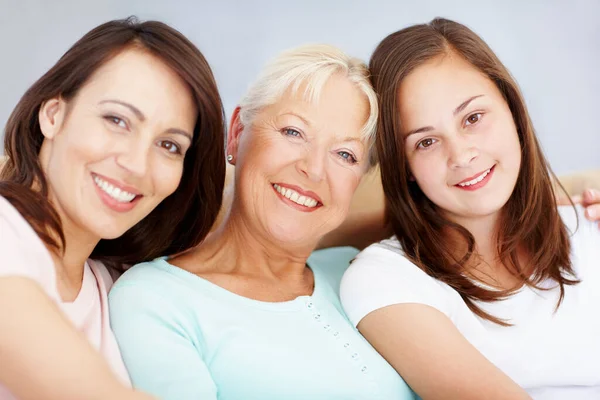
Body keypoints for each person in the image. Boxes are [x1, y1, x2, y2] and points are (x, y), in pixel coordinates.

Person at [109, 44, 417, 400]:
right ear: (238, 132)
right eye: (292, 132)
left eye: (345, 154)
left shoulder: (363, 272)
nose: (313, 169)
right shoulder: (154, 298)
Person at [340, 17, 600, 400]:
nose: (461, 155)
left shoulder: (588, 226)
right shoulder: (386, 278)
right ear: (404, 167)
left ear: (512, 109)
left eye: (473, 118)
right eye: (426, 142)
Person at [0, 17, 225, 400]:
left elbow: (261, 211)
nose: (137, 165)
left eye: (169, 145)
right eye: (117, 120)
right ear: (53, 115)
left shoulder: (115, 286)